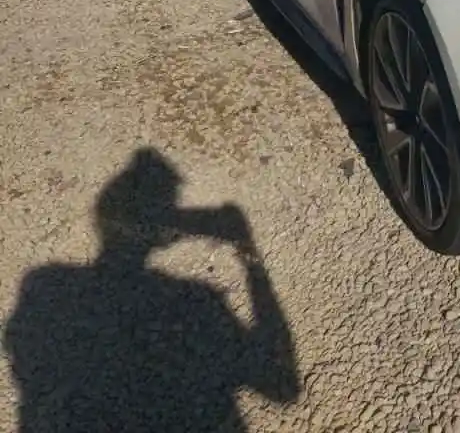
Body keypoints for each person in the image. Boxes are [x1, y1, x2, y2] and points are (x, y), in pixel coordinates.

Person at [3, 148, 299, 432]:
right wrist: (250, 257)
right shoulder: (196, 301)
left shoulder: (45, 285)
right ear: (162, 235)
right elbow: (282, 386)